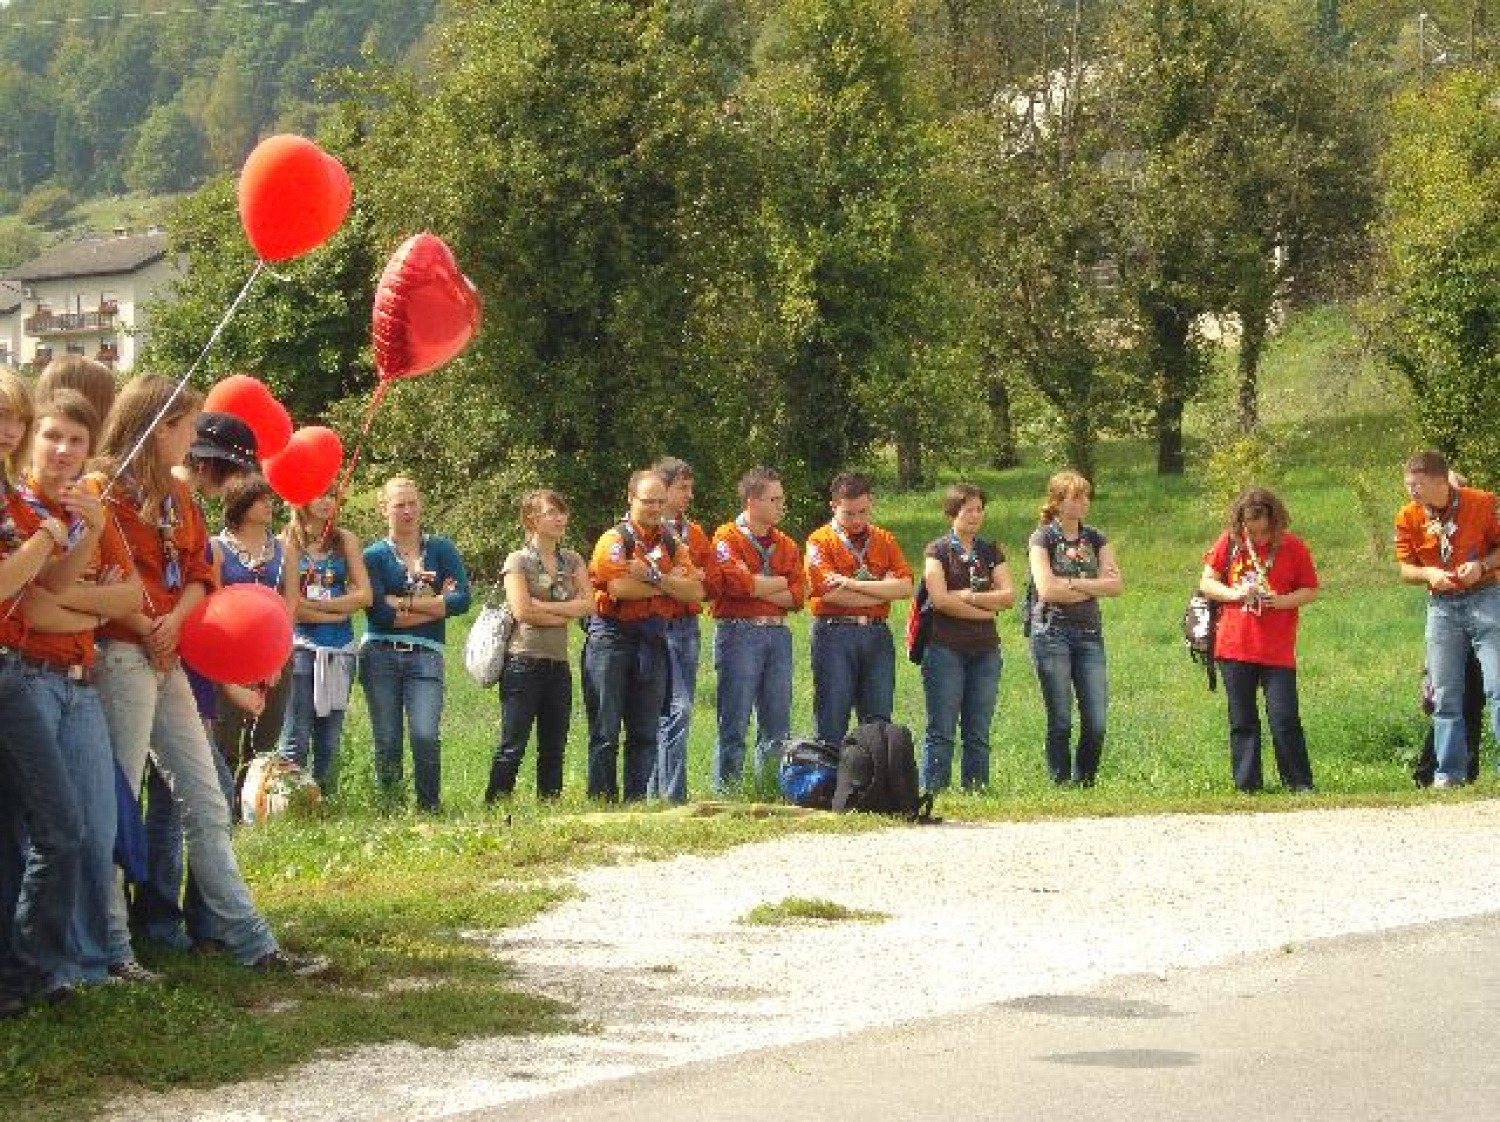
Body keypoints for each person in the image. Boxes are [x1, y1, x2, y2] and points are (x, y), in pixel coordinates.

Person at [88, 373, 320, 975]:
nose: (194, 439)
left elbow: (200, 572)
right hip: (124, 655)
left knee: (207, 797)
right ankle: (115, 949)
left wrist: (175, 625)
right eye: (186, 425)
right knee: (118, 800)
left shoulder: (177, 497)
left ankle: (252, 943)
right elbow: (105, 577)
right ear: (157, 427)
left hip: (164, 657)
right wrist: (149, 628)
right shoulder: (103, 488)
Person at [12, 390, 142, 989]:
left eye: (77, 441)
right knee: (43, 832)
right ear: (31, 439)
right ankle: (45, 968)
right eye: (52, 435)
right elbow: (33, 608)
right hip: (28, 678)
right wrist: (92, 611)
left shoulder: (92, 508)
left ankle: (89, 963)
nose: (63, 450)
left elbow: (131, 596)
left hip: (81, 681)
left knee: (94, 828)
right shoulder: (20, 506)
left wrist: (79, 595)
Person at [133, 409, 259, 953]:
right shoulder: (165, 499)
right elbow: (155, 579)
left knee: (172, 800)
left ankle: (179, 925)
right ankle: (170, 925)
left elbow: (199, 583)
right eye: (233, 472)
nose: (234, 485)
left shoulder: (184, 505)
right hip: (147, 659)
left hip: (175, 665)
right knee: (193, 797)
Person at [0, 372, 89, 1015]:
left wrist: (78, 528)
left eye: (15, 420)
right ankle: (29, 974)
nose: (10, 430)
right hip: (16, 675)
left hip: (13, 670)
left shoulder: (13, 499)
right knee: (61, 831)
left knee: (26, 835)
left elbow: (47, 586)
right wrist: (47, 538)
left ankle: (25, 974)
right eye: (5, 419)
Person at [585, 470, 704, 801]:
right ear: (630, 499)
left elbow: (694, 592)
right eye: (647, 501)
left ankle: (635, 802)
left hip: (653, 638)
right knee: (606, 729)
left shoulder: (671, 543)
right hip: (612, 637)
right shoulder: (614, 540)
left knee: (645, 730)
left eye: (659, 502)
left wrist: (652, 575)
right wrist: (669, 584)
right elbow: (619, 587)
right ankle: (602, 801)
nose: (654, 508)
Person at [1197, 487, 1319, 793]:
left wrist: (1283, 601)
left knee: (1284, 718)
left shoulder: (1293, 547)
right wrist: (1234, 594)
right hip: (1235, 645)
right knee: (1242, 720)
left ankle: (1299, 782)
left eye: (1264, 531)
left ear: (1276, 522)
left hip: (1277, 649)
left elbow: (1310, 590)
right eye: (1252, 532)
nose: (1259, 538)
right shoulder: (1230, 542)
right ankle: (1247, 785)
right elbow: (1207, 582)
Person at [360, 476, 471, 812]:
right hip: (379, 654)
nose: (407, 511)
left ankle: (429, 807)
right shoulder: (373, 557)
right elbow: (379, 613)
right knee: (388, 739)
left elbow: (462, 600)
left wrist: (403, 604)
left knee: (425, 734)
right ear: (384, 510)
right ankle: (390, 808)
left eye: (412, 503)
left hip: (426, 655)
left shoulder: (441, 550)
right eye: (399, 505)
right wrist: (436, 605)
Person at [1394, 450, 1500, 788]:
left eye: (1418, 484)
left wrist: (1482, 566)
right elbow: (1405, 569)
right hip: (1441, 605)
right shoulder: (1408, 516)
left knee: (1497, 687)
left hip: (1485, 597)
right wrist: (1427, 572)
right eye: (1408, 484)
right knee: (1445, 694)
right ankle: (1448, 775)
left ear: (1441, 481)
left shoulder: (1482, 503)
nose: (1412, 491)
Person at [482, 489, 592, 802]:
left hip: (558, 664)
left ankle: (550, 803)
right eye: (551, 513)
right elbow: (522, 611)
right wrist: (565, 611)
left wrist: (547, 610)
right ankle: (496, 802)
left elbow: (590, 604)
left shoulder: (571, 559)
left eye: (562, 512)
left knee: (554, 743)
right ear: (531, 519)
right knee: (513, 742)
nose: (560, 519)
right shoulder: (517, 561)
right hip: (523, 662)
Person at [710, 466, 804, 791]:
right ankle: (728, 791)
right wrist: (776, 584)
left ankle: (768, 789)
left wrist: (758, 585)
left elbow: (797, 595)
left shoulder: (787, 544)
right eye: (774, 499)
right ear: (752, 501)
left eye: (782, 499)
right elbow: (734, 583)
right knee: (734, 721)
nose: (781, 505)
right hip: (739, 633)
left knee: (777, 722)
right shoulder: (726, 537)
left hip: (778, 634)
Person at [1026, 470, 1123, 787]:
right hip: (1052, 632)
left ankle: (1087, 781)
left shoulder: (1096, 538)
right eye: (1076, 497)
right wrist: (1093, 586)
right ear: (1057, 502)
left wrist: (1072, 583)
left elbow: (1116, 585)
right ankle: (1060, 782)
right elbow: (1047, 589)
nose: (1084, 503)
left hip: (1090, 633)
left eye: (1086, 497)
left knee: (1096, 720)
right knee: (1061, 719)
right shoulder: (1042, 538)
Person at [919, 483, 1014, 793]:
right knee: (942, 728)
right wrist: (985, 609)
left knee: (978, 729)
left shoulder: (991, 550)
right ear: (952, 513)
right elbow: (940, 600)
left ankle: (976, 789)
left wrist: (969, 597)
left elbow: (1008, 596)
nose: (975, 515)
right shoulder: (938, 550)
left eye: (979, 509)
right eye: (968, 509)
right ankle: (935, 790)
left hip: (985, 651)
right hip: (945, 648)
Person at [805, 472, 913, 743]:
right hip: (834, 634)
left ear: (871, 502)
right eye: (849, 514)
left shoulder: (884, 540)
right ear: (833, 507)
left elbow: (905, 586)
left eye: (863, 512)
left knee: (878, 721)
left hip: (877, 635)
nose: (857, 521)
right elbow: (828, 593)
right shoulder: (819, 541)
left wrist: (851, 584)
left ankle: (872, 783)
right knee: (832, 717)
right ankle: (829, 784)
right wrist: (881, 591)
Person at [278, 484, 371, 795]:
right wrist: (336, 610)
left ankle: (325, 803)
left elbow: (364, 595)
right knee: (296, 733)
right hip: (302, 648)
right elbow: (293, 607)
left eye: (332, 494)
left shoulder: (345, 540)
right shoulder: (287, 542)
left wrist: (322, 607)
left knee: (330, 735)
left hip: (341, 649)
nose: (326, 501)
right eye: (318, 494)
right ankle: (290, 801)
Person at [211, 473, 292, 791]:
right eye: (260, 499)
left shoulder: (285, 549)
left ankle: (253, 802)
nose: (269, 504)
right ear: (241, 504)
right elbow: (213, 604)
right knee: (226, 737)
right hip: (231, 654)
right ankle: (225, 804)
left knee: (265, 738)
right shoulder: (216, 548)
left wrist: (276, 657)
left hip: (275, 652)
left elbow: (291, 605)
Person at [650, 457, 717, 803]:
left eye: (691, 488)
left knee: (678, 710)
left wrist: (683, 580)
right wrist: (678, 581)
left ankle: (665, 791)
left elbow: (707, 579)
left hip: (687, 625)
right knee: (673, 709)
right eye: (682, 488)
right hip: (655, 625)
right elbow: (648, 576)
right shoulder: (644, 530)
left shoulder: (693, 532)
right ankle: (666, 795)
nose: (689, 495)